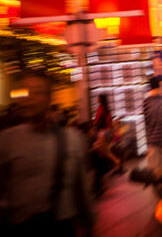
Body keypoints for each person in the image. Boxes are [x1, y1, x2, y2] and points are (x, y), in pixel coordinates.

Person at [0, 71, 93, 235]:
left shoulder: (72, 140)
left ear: (49, 98)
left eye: (37, 93)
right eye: (25, 92)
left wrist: (89, 224)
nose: (29, 98)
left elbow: (82, 191)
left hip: (61, 226)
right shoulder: (8, 141)